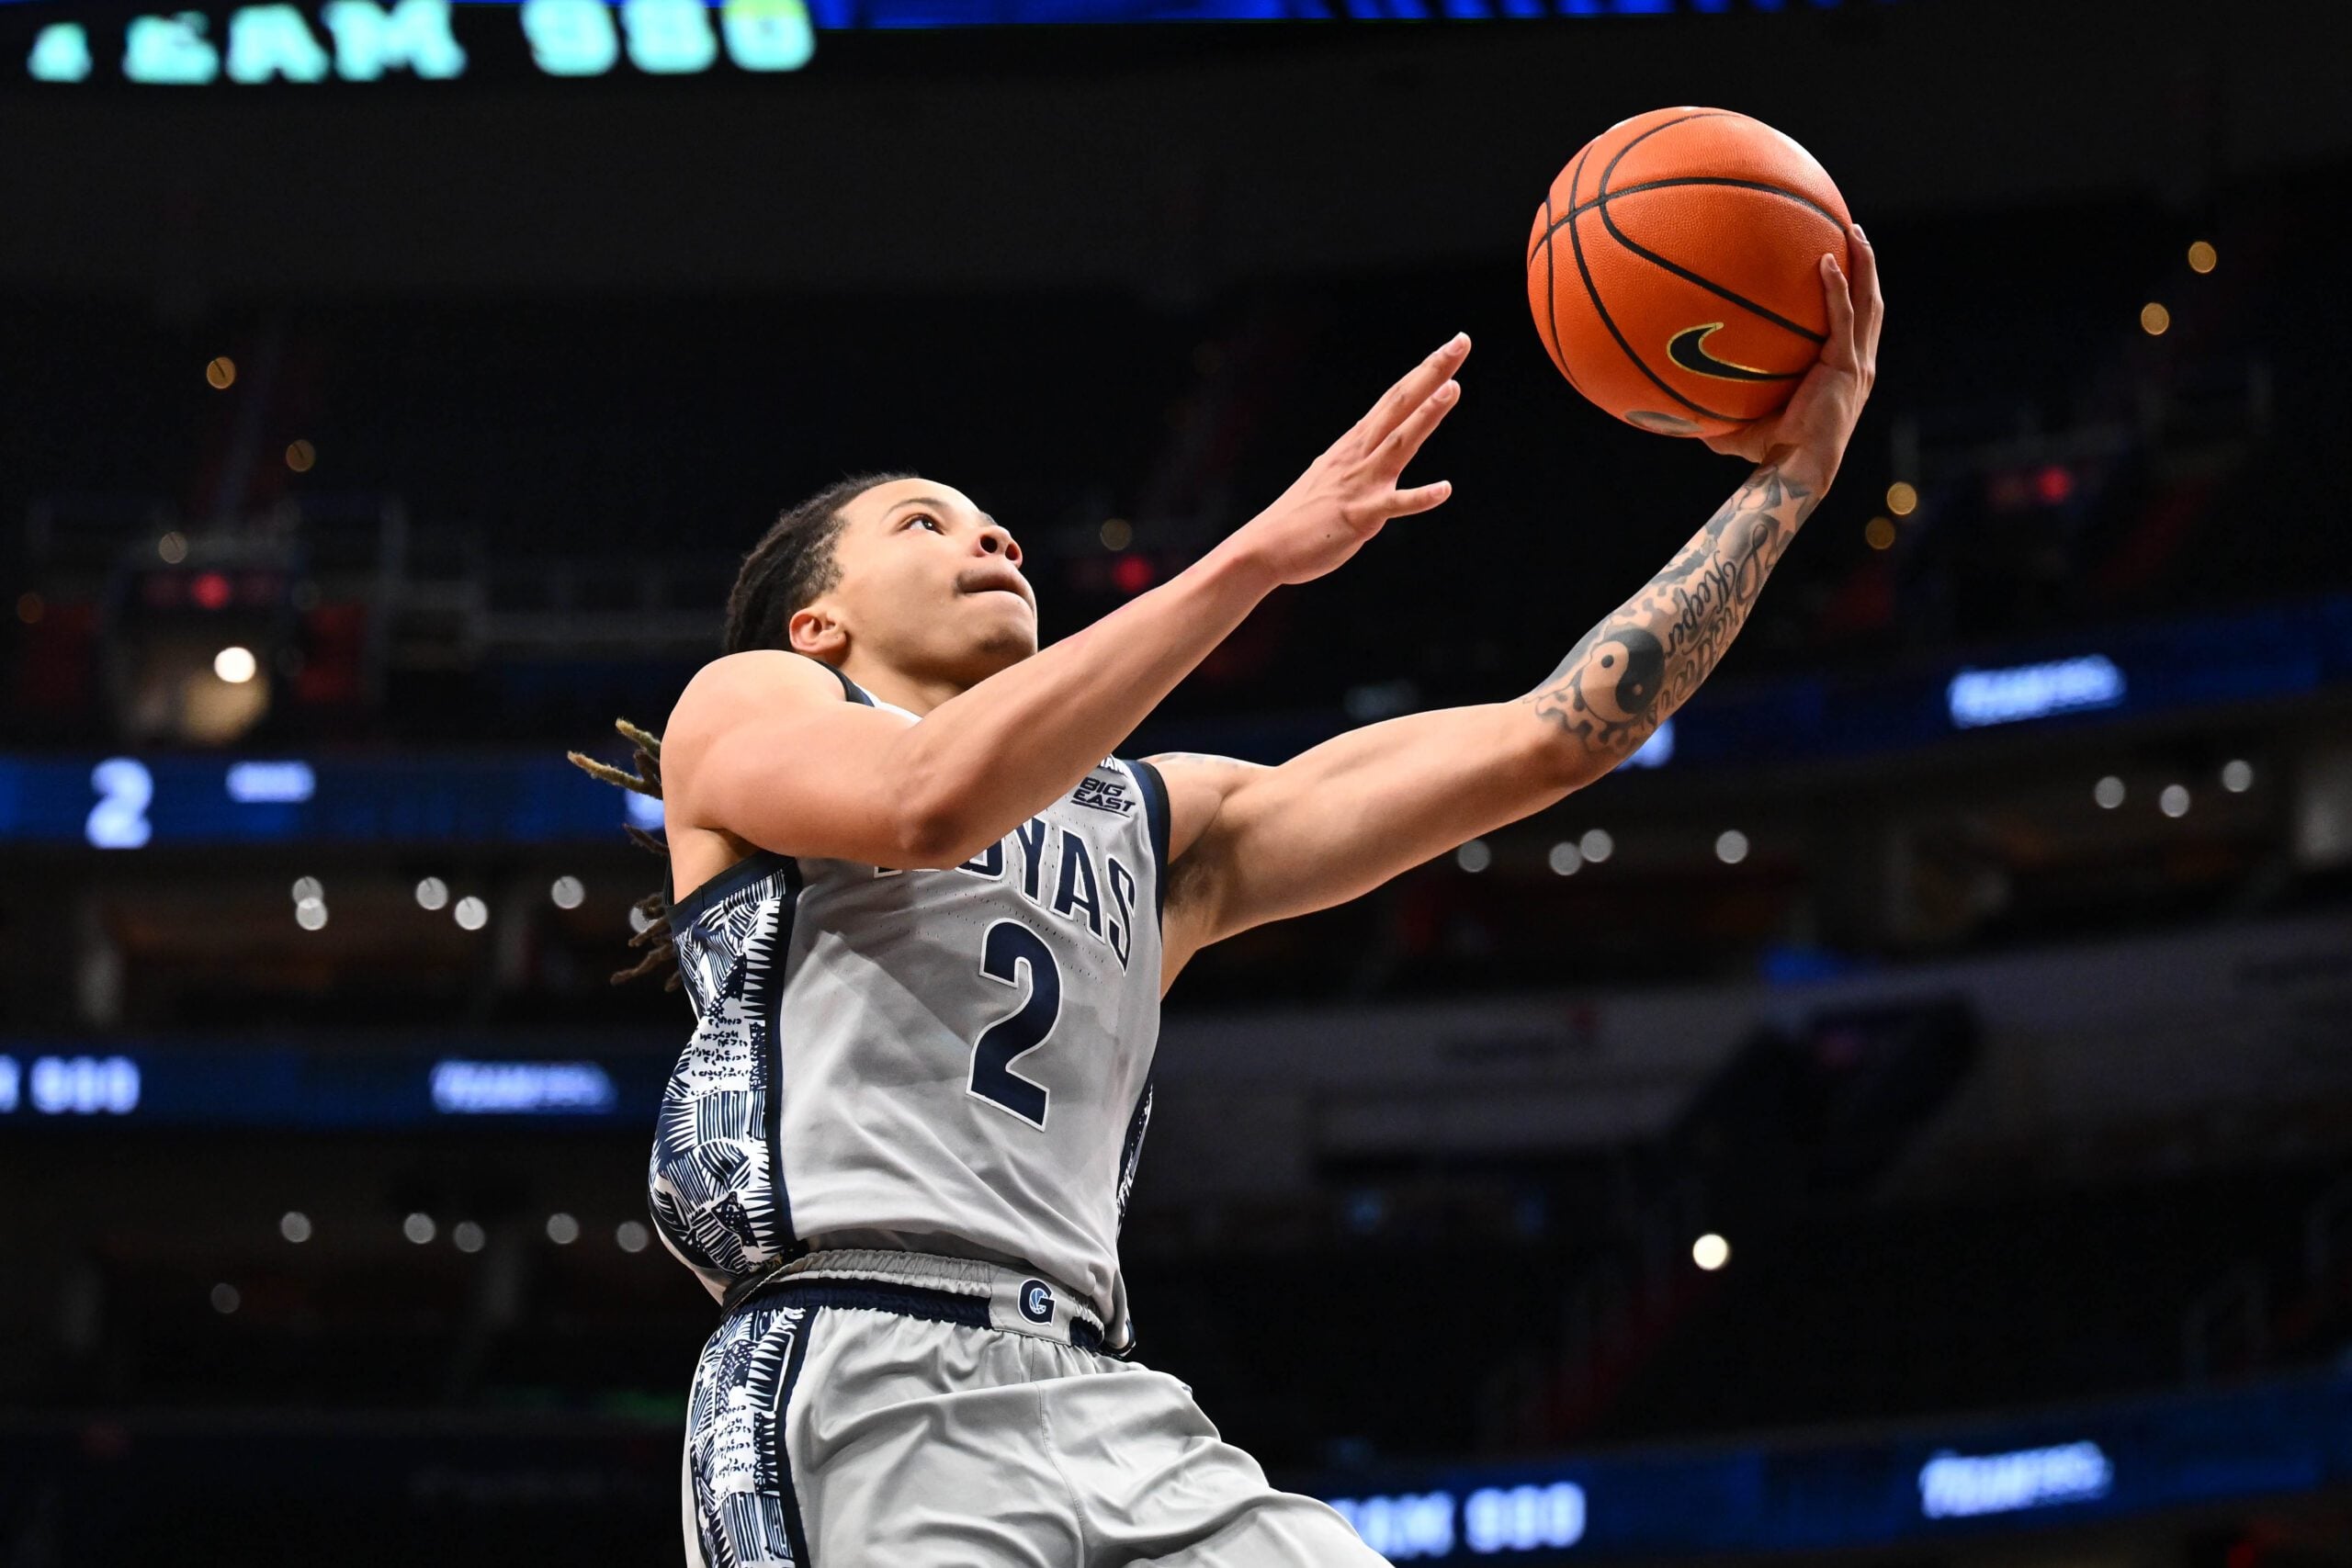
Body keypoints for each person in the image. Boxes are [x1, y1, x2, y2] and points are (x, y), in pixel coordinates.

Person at [569, 233, 1882, 1566]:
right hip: (856, 1370)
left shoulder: (1161, 822)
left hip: (1102, 1391)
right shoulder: (755, 704)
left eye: (988, 518)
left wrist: (1792, 483)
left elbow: (1556, 734)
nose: (992, 532)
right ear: (818, 624)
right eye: (926, 521)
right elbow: (927, 803)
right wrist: (1253, 558)